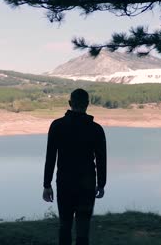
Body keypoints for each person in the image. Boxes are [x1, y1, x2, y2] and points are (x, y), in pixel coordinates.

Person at [43, 88, 107, 245]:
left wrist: (47, 184)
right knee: (83, 229)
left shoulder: (57, 126)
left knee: (65, 226)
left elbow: (51, 157)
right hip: (87, 183)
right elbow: (101, 159)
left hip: (65, 182)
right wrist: (101, 184)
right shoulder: (96, 129)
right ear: (87, 104)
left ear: (70, 103)